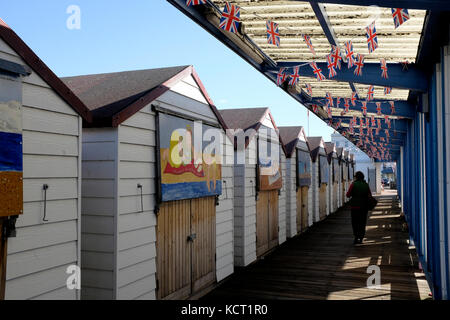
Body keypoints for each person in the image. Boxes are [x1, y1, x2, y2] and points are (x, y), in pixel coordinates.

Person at [346, 171, 373, 244]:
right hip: (364, 207)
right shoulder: (366, 185)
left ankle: (356, 237)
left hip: (355, 207)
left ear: (356, 177)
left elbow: (348, 195)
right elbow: (370, 195)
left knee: (355, 222)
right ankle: (361, 237)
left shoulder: (353, 184)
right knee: (362, 222)